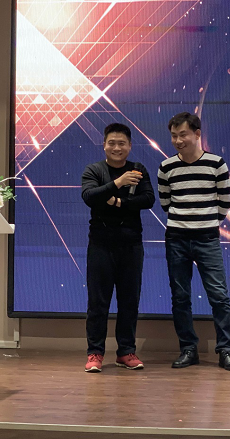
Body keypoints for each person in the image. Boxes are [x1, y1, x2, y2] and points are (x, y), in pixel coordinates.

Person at [157, 112, 230, 371]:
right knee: (180, 297)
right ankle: (188, 349)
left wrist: (206, 221)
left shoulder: (216, 164)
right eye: (174, 136)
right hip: (177, 238)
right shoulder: (166, 167)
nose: (178, 140)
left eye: (183, 134)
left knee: (219, 296)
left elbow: (225, 202)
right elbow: (166, 203)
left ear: (197, 134)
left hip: (207, 238)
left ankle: (226, 350)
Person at [81, 123, 155, 372]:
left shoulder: (138, 169)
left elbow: (148, 199)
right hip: (100, 245)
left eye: (122, 143)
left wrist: (118, 202)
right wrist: (119, 182)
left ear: (130, 146)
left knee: (129, 301)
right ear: (104, 145)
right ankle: (95, 353)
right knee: (98, 302)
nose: (116, 147)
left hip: (131, 245)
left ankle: (126, 352)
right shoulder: (94, 170)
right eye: (111, 143)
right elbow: (90, 197)